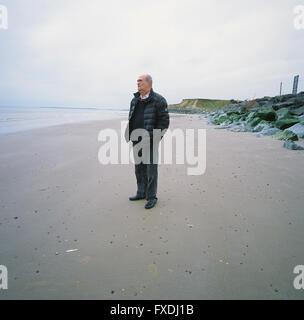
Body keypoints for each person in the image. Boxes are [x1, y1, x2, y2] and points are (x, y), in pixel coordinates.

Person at [124, 74, 170, 209]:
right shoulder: (134, 100)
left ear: (149, 83)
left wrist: (155, 138)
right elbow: (131, 117)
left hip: (150, 140)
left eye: (140, 81)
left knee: (151, 170)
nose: (137, 83)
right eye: (137, 81)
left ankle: (151, 197)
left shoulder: (159, 100)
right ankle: (141, 192)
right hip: (136, 139)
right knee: (139, 169)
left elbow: (164, 122)